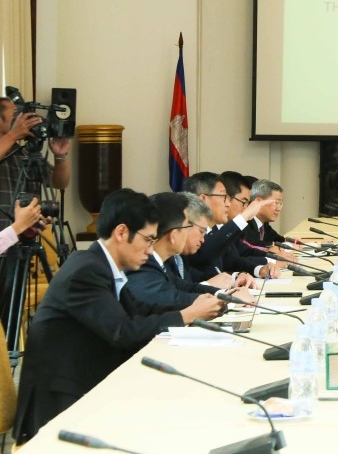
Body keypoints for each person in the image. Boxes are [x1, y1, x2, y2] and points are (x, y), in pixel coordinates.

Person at [13, 188, 223, 444]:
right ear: (122, 232)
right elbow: (122, 331)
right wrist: (186, 314)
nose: (150, 250)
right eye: (148, 239)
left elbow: (141, 311)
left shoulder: (103, 265)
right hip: (63, 399)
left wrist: (197, 311)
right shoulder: (86, 269)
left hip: (88, 381)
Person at [123, 192, 244, 309]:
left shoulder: (160, 263)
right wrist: (228, 302)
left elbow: (188, 288)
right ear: (174, 235)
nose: (188, 233)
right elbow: (172, 299)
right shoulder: (142, 263)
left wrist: (228, 295)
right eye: (187, 226)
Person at [183, 172, 280, 282]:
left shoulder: (215, 230)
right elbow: (207, 255)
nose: (227, 204)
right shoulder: (188, 233)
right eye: (223, 197)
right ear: (203, 199)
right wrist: (245, 216)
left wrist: (259, 270)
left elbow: (232, 261)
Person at [0, 95, 71, 229]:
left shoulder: (24, 153)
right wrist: (14, 134)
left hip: (24, 237)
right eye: (16, 114)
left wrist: (60, 156)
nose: (21, 119)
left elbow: (60, 183)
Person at [246, 178, 287, 247]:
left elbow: (279, 240)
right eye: (276, 202)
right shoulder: (246, 223)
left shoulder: (263, 223)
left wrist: (293, 243)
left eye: (280, 203)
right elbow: (253, 246)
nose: (279, 208)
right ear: (258, 202)